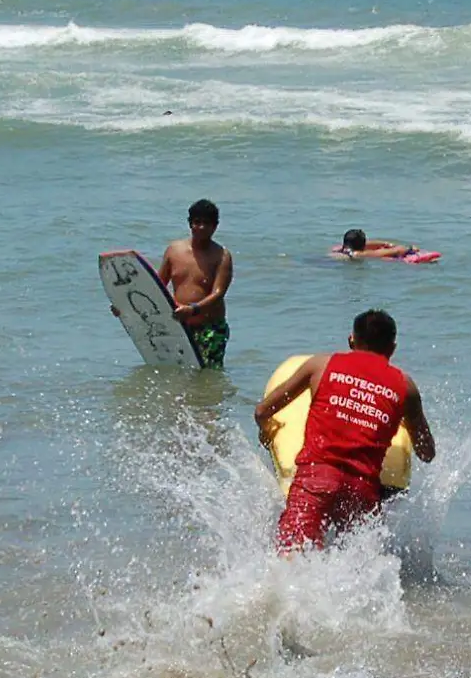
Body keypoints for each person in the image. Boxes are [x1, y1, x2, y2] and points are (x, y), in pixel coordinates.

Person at [255, 309, 437, 553]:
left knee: (292, 557)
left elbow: (262, 412)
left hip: (316, 481)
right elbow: (427, 453)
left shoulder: (320, 365)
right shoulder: (406, 387)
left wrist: (266, 434)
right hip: (362, 491)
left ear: (351, 340)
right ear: (392, 348)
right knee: (356, 569)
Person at [158, 199, 234, 368]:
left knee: (208, 377)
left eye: (206, 223)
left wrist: (193, 310)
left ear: (215, 226)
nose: (200, 227)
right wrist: (126, 308)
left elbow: (218, 293)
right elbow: (157, 287)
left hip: (210, 329)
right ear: (190, 224)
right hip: (180, 326)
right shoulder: (174, 251)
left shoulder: (221, 256)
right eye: (197, 222)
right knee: (176, 375)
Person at [336, 228, 418, 260]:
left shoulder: (338, 249)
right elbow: (395, 251)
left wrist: (387, 244)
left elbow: (367, 244)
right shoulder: (361, 254)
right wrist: (409, 248)